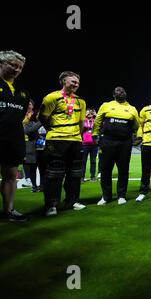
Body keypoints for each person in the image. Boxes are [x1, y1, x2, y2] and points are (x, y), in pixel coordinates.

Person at [39, 71, 87, 216]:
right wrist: (53, 131)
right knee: (54, 173)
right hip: (57, 140)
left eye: (77, 82)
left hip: (75, 141)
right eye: (73, 81)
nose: (76, 84)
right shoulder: (51, 97)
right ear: (63, 81)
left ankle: (72, 201)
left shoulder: (81, 101)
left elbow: (81, 123)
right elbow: (43, 117)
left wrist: (77, 136)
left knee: (75, 173)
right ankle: (51, 205)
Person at [93, 87, 139, 205]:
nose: (120, 93)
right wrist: (95, 134)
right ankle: (106, 196)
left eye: (122, 91)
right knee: (106, 170)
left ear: (126, 94)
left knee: (123, 170)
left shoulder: (132, 109)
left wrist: (138, 137)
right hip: (108, 141)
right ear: (114, 94)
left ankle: (121, 196)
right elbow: (98, 120)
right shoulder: (106, 105)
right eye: (118, 91)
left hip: (125, 143)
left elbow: (137, 126)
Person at [0, 50, 29, 221]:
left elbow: (19, 116)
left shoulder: (23, 92)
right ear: (1, 64)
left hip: (13, 139)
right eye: (13, 65)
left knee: (11, 176)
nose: (17, 70)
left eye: (20, 67)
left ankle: (8, 211)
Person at [23, 100, 44, 192]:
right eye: (38, 114)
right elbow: (28, 131)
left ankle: (42, 186)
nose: (40, 115)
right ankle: (34, 186)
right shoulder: (30, 123)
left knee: (43, 168)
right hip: (32, 148)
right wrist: (40, 123)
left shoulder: (46, 124)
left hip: (43, 148)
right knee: (32, 168)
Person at [81, 108, 98, 182]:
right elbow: (82, 126)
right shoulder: (83, 121)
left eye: (91, 113)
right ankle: (81, 177)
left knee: (93, 161)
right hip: (84, 144)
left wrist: (96, 116)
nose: (89, 114)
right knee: (83, 161)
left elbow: (101, 123)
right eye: (87, 113)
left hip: (94, 144)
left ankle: (92, 176)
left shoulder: (95, 121)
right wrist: (84, 116)